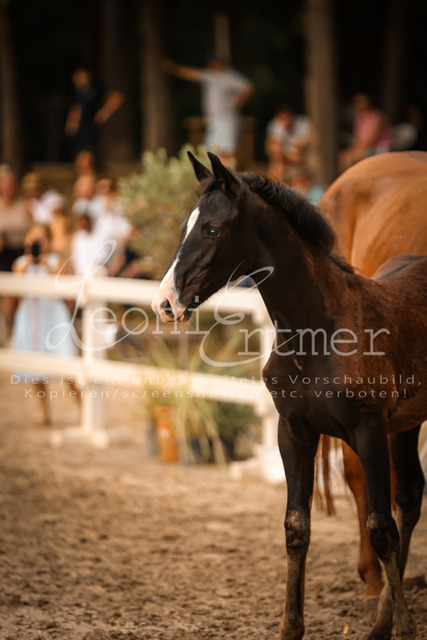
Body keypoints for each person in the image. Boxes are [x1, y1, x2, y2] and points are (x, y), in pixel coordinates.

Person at [12, 224, 79, 425]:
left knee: (67, 366)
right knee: (36, 370)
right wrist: (29, 262)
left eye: (41, 238)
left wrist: (44, 264)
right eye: (33, 237)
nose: (37, 242)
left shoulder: (54, 261)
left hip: (53, 317)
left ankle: (83, 408)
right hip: (30, 318)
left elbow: (60, 283)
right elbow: (16, 286)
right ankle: (45, 412)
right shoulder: (20, 263)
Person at [163, 52, 254, 165]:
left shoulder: (229, 76)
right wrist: (174, 69)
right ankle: (217, 173)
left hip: (227, 120)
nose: (211, 64)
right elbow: (191, 74)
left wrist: (239, 101)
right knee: (210, 151)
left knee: (227, 151)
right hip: (213, 121)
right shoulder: (209, 76)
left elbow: (248, 86)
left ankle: (228, 173)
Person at [64, 64, 124, 175]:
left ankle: (88, 178)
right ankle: (84, 178)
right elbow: (75, 109)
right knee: (79, 158)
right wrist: (71, 124)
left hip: (90, 128)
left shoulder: (95, 90)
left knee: (86, 156)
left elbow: (117, 97)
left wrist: (104, 112)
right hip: (79, 131)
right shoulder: (77, 93)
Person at [340, 93, 392, 171]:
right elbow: (357, 137)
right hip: (365, 146)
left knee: (350, 158)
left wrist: (360, 148)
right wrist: (356, 147)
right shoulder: (360, 117)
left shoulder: (375, 116)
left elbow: (372, 138)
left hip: (378, 146)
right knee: (344, 156)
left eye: (361, 101)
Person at [265, 106, 311, 182]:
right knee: (277, 157)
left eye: (286, 119)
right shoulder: (276, 125)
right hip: (286, 155)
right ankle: (276, 182)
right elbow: (273, 144)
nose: (285, 123)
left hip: (302, 155)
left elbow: (304, 145)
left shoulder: (304, 124)